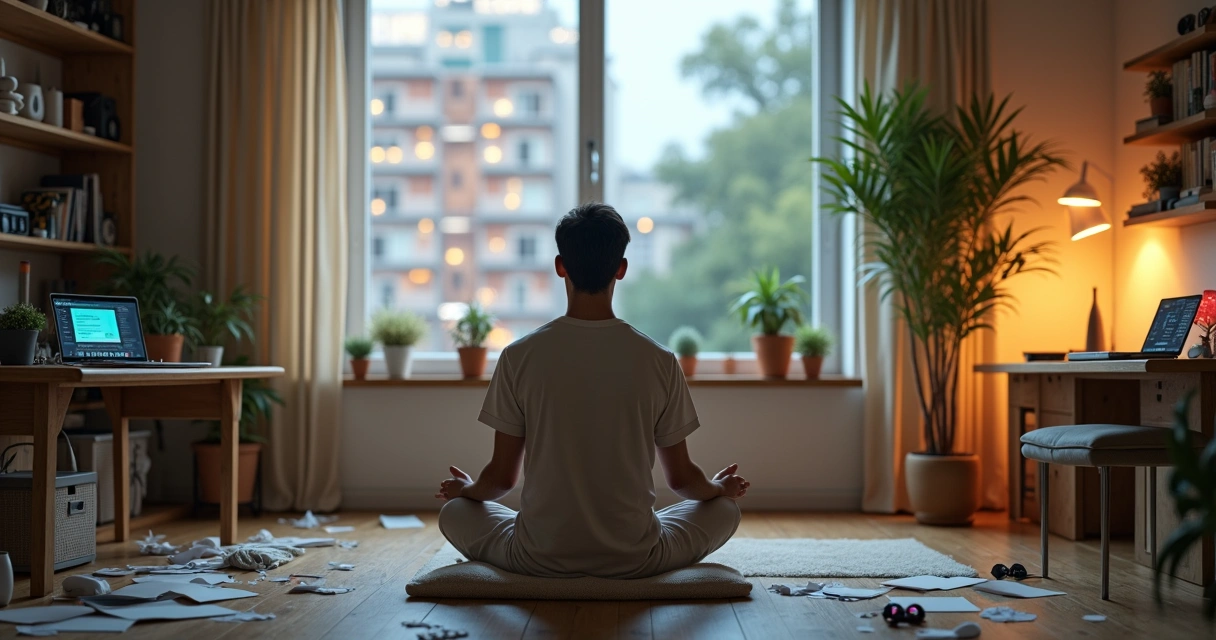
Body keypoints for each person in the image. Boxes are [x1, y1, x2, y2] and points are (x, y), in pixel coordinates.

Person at [434, 202, 749, 579]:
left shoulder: (518, 356)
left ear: (559, 266)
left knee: (453, 512)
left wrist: (468, 490)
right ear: (622, 268)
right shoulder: (659, 360)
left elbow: (501, 479)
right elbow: (682, 480)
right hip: (637, 558)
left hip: (537, 556)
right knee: (725, 509)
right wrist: (717, 487)